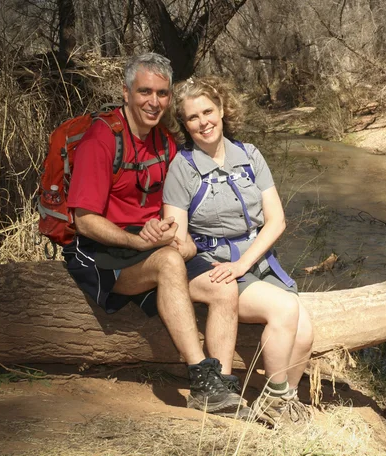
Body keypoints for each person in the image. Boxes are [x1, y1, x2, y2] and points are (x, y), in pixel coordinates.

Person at [62, 54, 247, 418]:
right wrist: (138, 242)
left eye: (162, 93)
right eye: (145, 91)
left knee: (223, 286)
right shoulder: (102, 139)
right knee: (166, 261)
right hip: (104, 253)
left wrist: (181, 235)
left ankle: (221, 385)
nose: (154, 101)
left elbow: (178, 207)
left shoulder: (164, 141)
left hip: (153, 245)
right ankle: (200, 376)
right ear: (126, 92)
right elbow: (84, 220)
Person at [148, 76, 314, 426]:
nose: (203, 122)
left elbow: (276, 220)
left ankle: (281, 399)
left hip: (253, 262)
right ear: (184, 123)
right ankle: (276, 401)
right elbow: (176, 234)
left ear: (222, 110)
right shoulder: (183, 167)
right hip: (212, 267)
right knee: (284, 309)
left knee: (306, 332)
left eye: (208, 111)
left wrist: (244, 263)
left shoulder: (250, 155)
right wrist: (181, 241)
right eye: (192, 117)